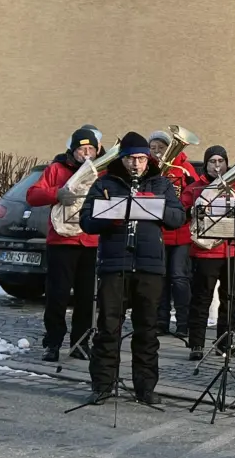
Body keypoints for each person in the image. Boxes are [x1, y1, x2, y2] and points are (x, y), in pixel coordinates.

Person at [78, 131, 188, 405]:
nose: (135, 164)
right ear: (122, 159)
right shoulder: (106, 183)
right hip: (115, 264)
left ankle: (145, 388)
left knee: (147, 330)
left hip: (149, 266)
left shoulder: (161, 183)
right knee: (108, 327)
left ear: (148, 159)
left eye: (141, 158)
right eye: (130, 159)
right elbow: (86, 221)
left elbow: (178, 218)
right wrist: (111, 216)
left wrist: (154, 206)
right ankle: (103, 385)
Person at [27, 128, 102, 362]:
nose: (86, 154)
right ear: (73, 151)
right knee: (57, 296)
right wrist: (57, 194)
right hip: (61, 241)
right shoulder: (56, 169)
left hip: (90, 241)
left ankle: (80, 343)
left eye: (91, 149)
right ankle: (53, 343)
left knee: (86, 297)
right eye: (82, 149)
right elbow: (32, 195)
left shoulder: (102, 170)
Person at [182, 145, 235, 362]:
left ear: (227, 164)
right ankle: (196, 344)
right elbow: (182, 213)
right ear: (206, 164)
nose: (217, 166)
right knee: (201, 299)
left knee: (231, 298)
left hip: (232, 251)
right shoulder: (195, 188)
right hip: (205, 252)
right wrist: (191, 211)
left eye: (221, 161)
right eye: (212, 161)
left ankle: (224, 343)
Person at [149, 130, 195, 341]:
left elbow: (193, 192)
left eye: (161, 147)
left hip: (180, 231)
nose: (157, 152)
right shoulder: (150, 169)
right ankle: (161, 322)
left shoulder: (184, 168)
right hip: (158, 230)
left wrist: (178, 208)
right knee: (161, 277)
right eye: (153, 148)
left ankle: (184, 323)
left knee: (179, 277)